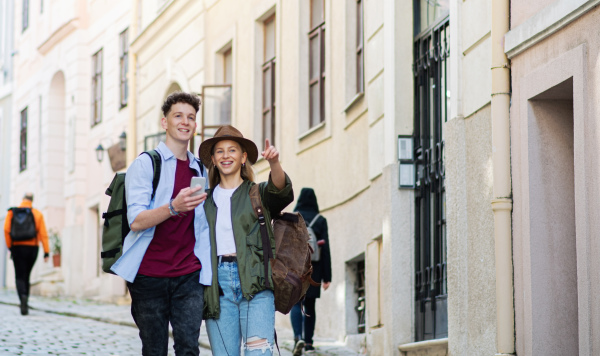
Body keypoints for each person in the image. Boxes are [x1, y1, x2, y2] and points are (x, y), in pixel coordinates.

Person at [110, 92, 211, 356]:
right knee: (155, 350)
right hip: (149, 276)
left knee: (189, 349)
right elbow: (136, 221)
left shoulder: (200, 170)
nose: (185, 122)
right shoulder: (146, 165)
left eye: (191, 117)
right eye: (178, 116)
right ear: (165, 122)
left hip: (189, 275)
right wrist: (173, 207)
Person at [199, 125, 293, 356]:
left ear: (243, 158)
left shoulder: (257, 193)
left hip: (256, 284)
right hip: (217, 288)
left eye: (232, 150)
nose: (226, 155)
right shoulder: (203, 200)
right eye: (219, 151)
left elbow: (281, 191)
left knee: (258, 354)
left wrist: (274, 163)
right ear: (213, 159)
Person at [290, 188, 332, 355]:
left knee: (295, 303)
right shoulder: (320, 220)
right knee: (310, 306)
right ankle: (308, 343)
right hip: (314, 270)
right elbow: (326, 249)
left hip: (295, 268)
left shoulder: (293, 218)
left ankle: (297, 337)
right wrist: (327, 277)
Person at [3, 192, 50, 315]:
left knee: (19, 275)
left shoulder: (11, 213)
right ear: (32, 200)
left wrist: (10, 246)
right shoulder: (37, 214)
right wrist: (46, 251)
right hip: (32, 248)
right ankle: (26, 300)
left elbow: (6, 230)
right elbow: (43, 234)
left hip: (17, 247)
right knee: (27, 275)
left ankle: (22, 298)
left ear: (23, 199)